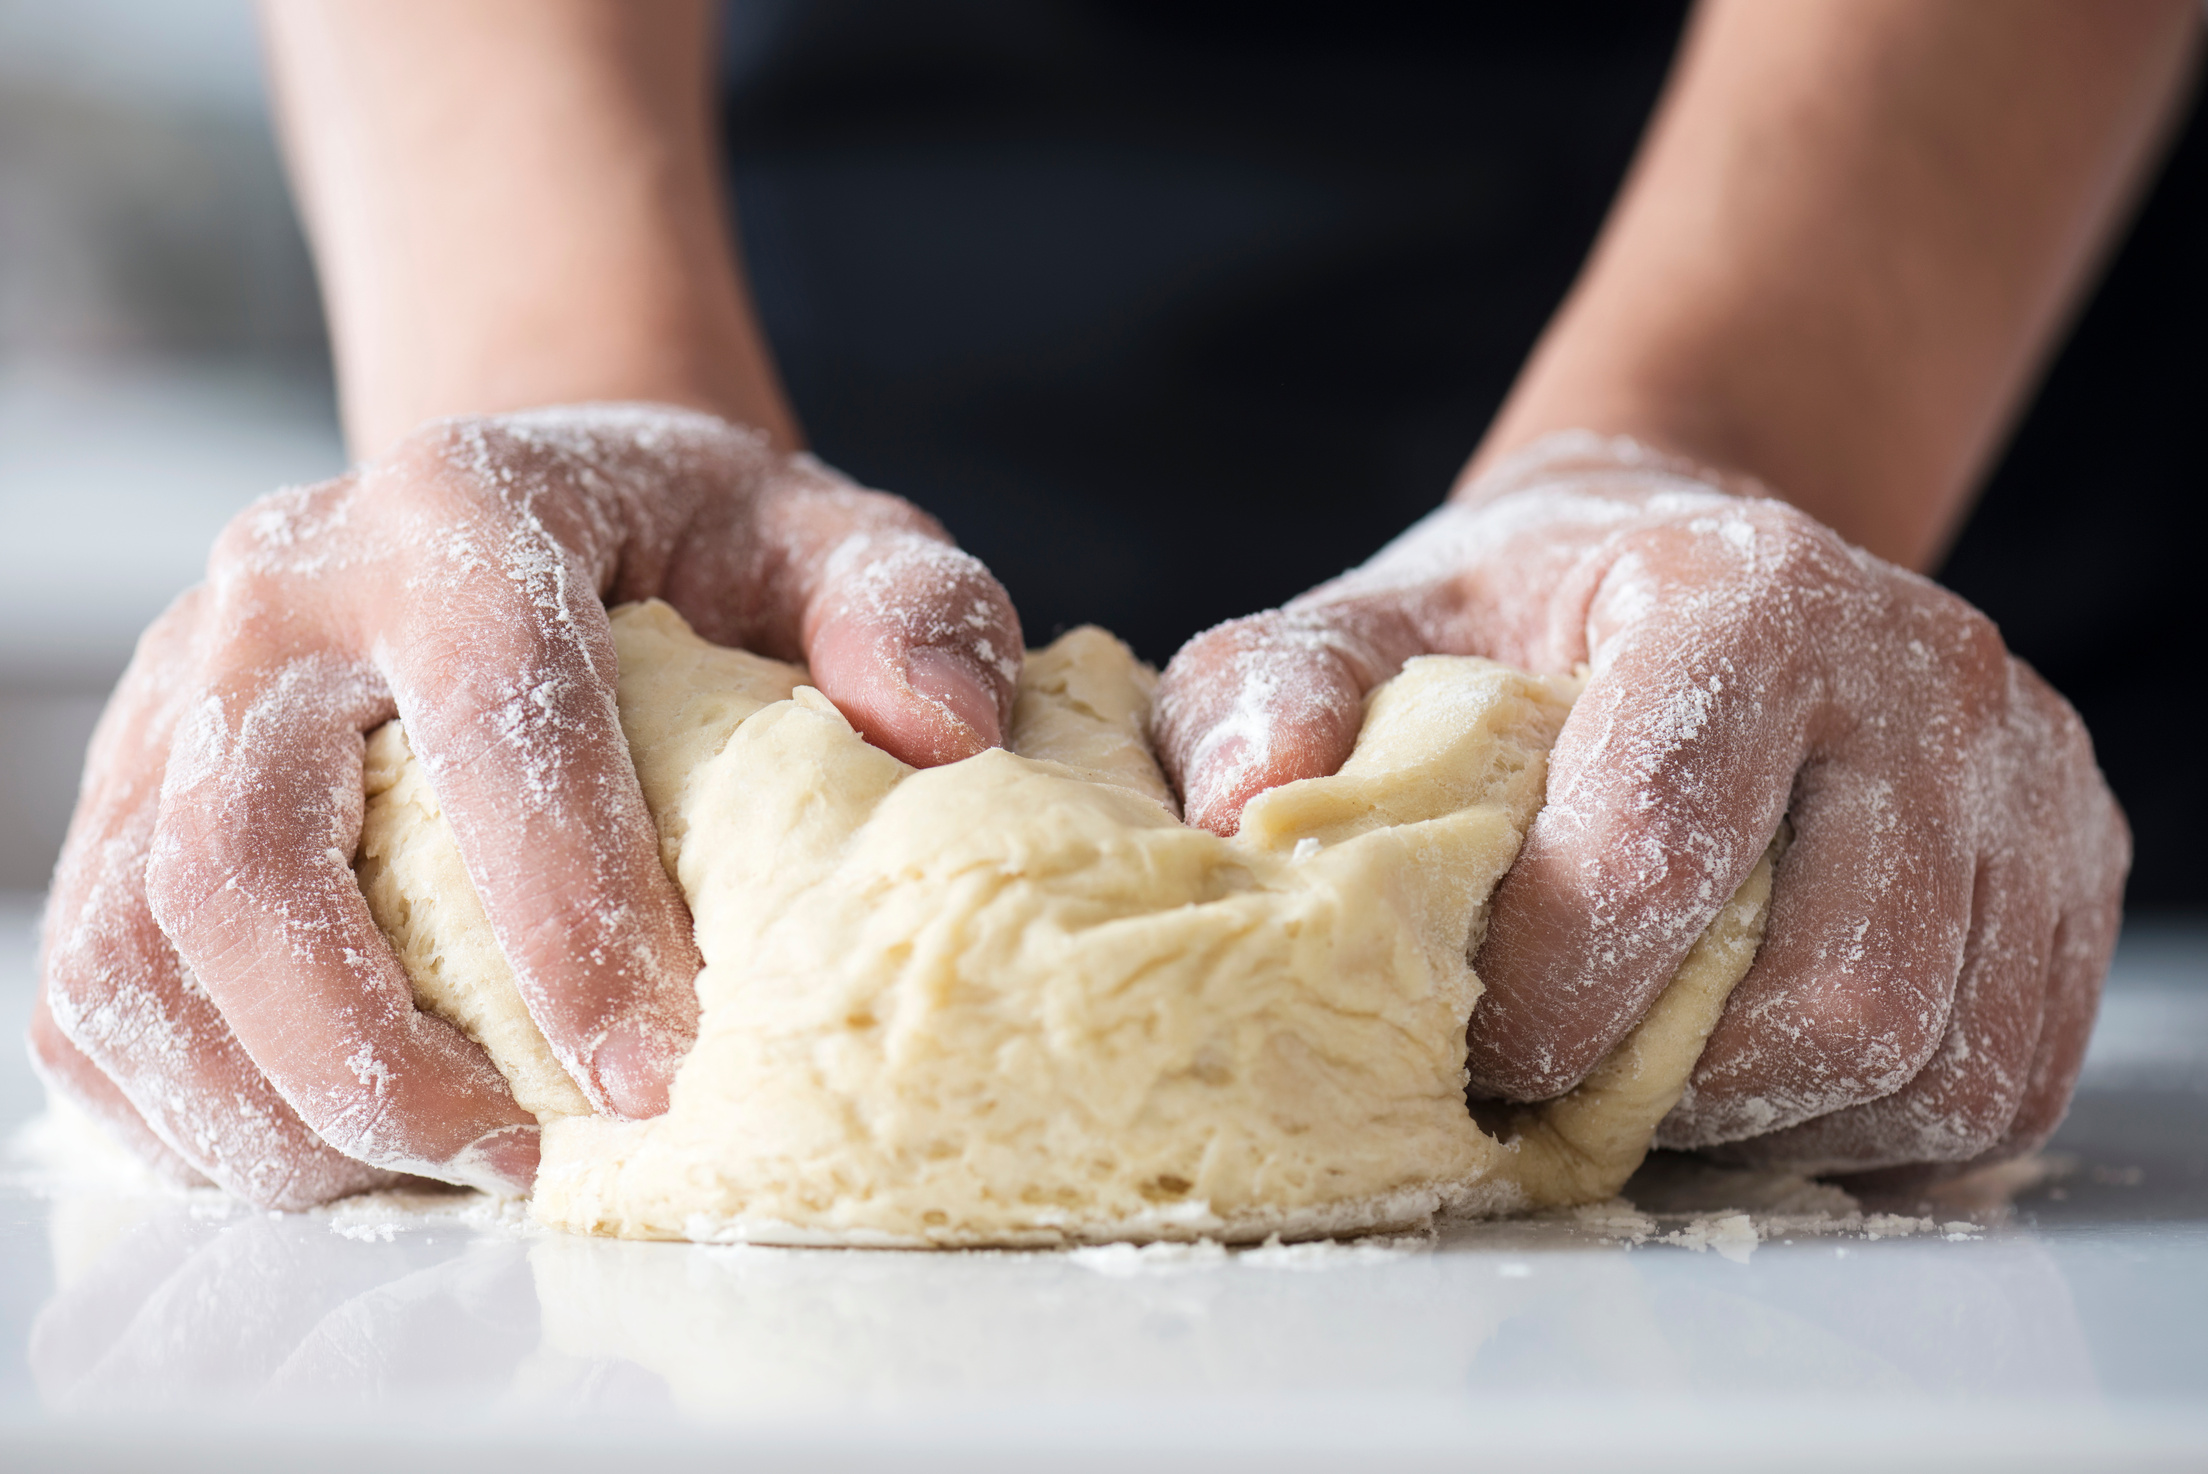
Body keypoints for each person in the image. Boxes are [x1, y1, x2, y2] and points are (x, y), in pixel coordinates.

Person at [28, 0, 2194, 1207]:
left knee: (1761, 881)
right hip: (824, 295)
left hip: (1893, 420)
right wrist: (566, 368)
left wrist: (1723, 431)